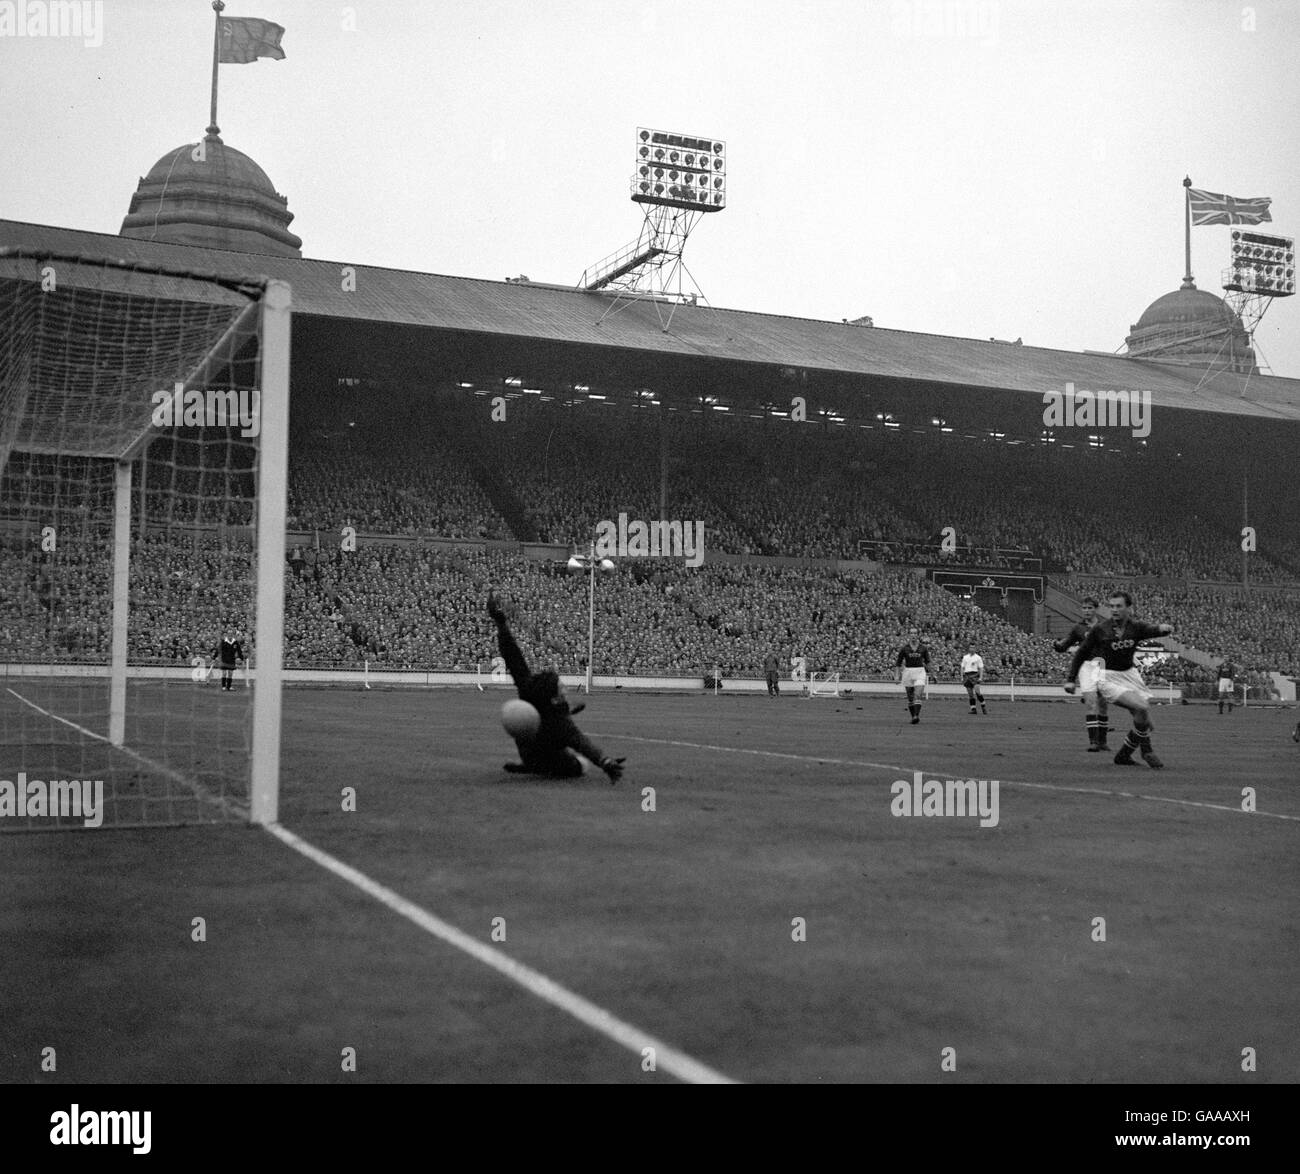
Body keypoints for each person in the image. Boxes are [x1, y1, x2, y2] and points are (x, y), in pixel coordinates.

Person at [487, 590, 624, 783]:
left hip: (529, 754)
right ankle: (539, 767)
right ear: (553, 697)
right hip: (550, 757)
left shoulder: (529, 690)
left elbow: (513, 656)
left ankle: (532, 766)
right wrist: (605, 761)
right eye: (561, 688)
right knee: (580, 765)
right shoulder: (560, 724)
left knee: (547, 748)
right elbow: (581, 743)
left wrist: (501, 624)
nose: (565, 689)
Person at [1065, 592, 1174, 768]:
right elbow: (1082, 653)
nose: (1114, 610)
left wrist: (1163, 628)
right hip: (1107, 677)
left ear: (1129, 608)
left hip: (1130, 675)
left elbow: (1150, 630)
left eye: (1118, 606)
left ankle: (1124, 755)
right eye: (1111, 606)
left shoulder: (1135, 627)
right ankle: (1147, 751)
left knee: (1143, 719)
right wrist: (1071, 679)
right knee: (1141, 707)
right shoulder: (1100, 629)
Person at [1055, 596, 1110, 751]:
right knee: (1091, 703)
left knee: (1103, 705)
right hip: (1086, 667)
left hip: (1103, 666)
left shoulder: (1106, 626)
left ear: (1096, 609)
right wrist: (1058, 646)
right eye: (1084, 608)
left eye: (1090, 608)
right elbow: (1065, 644)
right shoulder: (1078, 628)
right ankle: (1093, 742)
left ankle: (1103, 741)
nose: (1086, 611)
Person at [896, 628, 934, 725]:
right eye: (911, 633)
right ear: (909, 635)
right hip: (908, 672)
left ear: (918, 635)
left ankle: (916, 715)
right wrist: (897, 676)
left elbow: (928, 662)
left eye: (915, 633)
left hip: (920, 671)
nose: (913, 635)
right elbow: (898, 663)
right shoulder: (904, 648)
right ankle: (913, 716)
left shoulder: (923, 648)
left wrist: (933, 674)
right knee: (910, 697)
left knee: (918, 694)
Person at [212, 628, 245, 692]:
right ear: (227, 634)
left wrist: (242, 659)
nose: (230, 634)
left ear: (233, 634)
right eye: (229, 633)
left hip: (232, 659)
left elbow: (239, 651)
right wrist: (214, 657)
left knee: (230, 673)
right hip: (224, 659)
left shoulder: (235, 642)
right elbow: (218, 650)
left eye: (231, 633)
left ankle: (229, 686)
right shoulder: (223, 641)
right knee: (224, 673)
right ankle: (223, 686)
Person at [960, 644, 988, 715]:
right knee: (970, 694)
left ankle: (983, 706)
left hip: (975, 675)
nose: (972, 649)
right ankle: (973, 709)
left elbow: (981, 668)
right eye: (971, 647)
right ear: (969, 648)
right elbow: (962, 667)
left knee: (977, 691)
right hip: (967, 675)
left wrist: (981, 677)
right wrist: (962, 677)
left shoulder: (978, 658)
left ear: (975, 649)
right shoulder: (965, 657)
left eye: (973, 647)